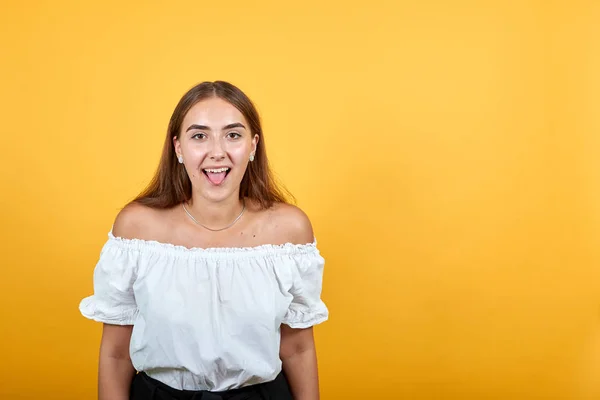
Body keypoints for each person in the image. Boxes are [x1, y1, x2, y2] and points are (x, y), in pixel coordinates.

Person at [79, 80, 329, 400]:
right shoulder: (137, 230)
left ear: (253, 146)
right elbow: (116, 355)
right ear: (179, 148)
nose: (216, 152)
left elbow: (297, 349)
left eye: (233, 135)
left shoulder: (289, 233)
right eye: (199, 136)